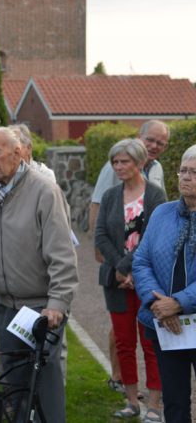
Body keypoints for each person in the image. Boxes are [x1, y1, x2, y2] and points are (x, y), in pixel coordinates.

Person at [0, 127, 78, 423]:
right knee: (12, 385)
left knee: (46, 387)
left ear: (18, 153)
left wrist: (57, 303)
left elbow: (63, 255)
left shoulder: (44, 190)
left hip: (40, 309)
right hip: (4, 306)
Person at [89, 120, 169, 395]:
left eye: (123, 162)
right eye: (115, 162)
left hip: (146, 276)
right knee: (123, 340)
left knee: (150, 340)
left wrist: (130, 269)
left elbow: (154, 233)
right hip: (117, 276)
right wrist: (118, 268)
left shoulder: (156, 187)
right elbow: (99, 231)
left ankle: (155, 401)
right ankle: (130, 398)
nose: (118, 167)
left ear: (138, 163)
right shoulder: (111, 192)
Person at [133, 144, 196, 423]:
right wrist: (158, 303)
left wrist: (179, 303)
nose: (185, 177)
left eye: (194, 172)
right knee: (175, 401)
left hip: (186, 315)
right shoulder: (161, 213)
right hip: (166, 324)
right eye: (183, 170)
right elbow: (141, 261)